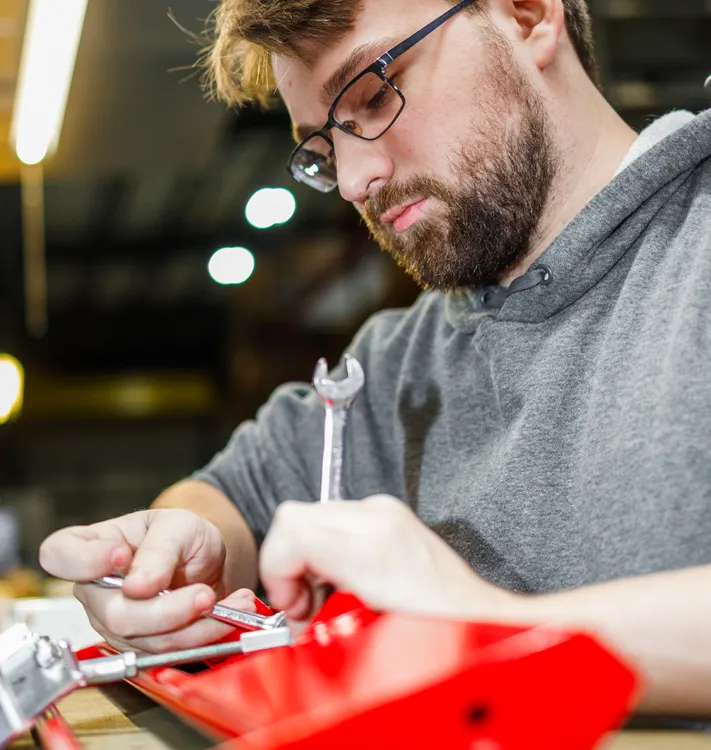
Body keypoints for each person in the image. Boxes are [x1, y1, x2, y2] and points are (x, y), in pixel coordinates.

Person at [39, 0, 711, 716]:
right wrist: (184, 552)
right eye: (322, 151)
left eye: (373, 92)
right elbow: (227, 495)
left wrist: (489, 627)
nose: (355, 178)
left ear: (527, 14)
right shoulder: (401, 360)